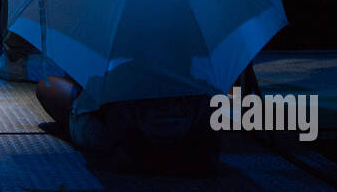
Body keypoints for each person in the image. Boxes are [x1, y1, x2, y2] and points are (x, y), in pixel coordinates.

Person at [35, 75, 219, 175]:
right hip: (184, 139)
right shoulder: (198, 80)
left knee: (48, 86)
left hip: (128, 139)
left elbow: (119, 131)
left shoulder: (123, 75)